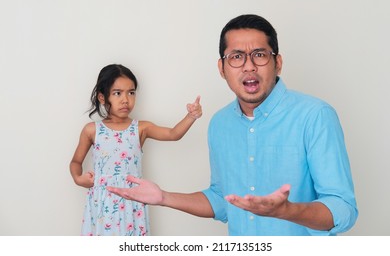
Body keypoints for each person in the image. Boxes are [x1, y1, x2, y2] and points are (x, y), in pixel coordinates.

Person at [107, 15, 358, 236]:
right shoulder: (219, 123)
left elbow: (342, 209)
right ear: (222, 68)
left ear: (277, 62)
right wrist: (164, 198)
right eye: (236, 57)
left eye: (259, 55)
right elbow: (222, 201)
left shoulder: (315, 115)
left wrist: (288, 211)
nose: (249, 66)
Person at [69, 64, 202, 236]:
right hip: (102, 204)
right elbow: (75, 162)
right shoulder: (91, 130)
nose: (126, 100)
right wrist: (78, 179)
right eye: (117, 93)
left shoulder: (140, 128)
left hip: (133, 201)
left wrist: (191, 116)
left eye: (131, 92)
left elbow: (173, 134)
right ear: (102, 97)